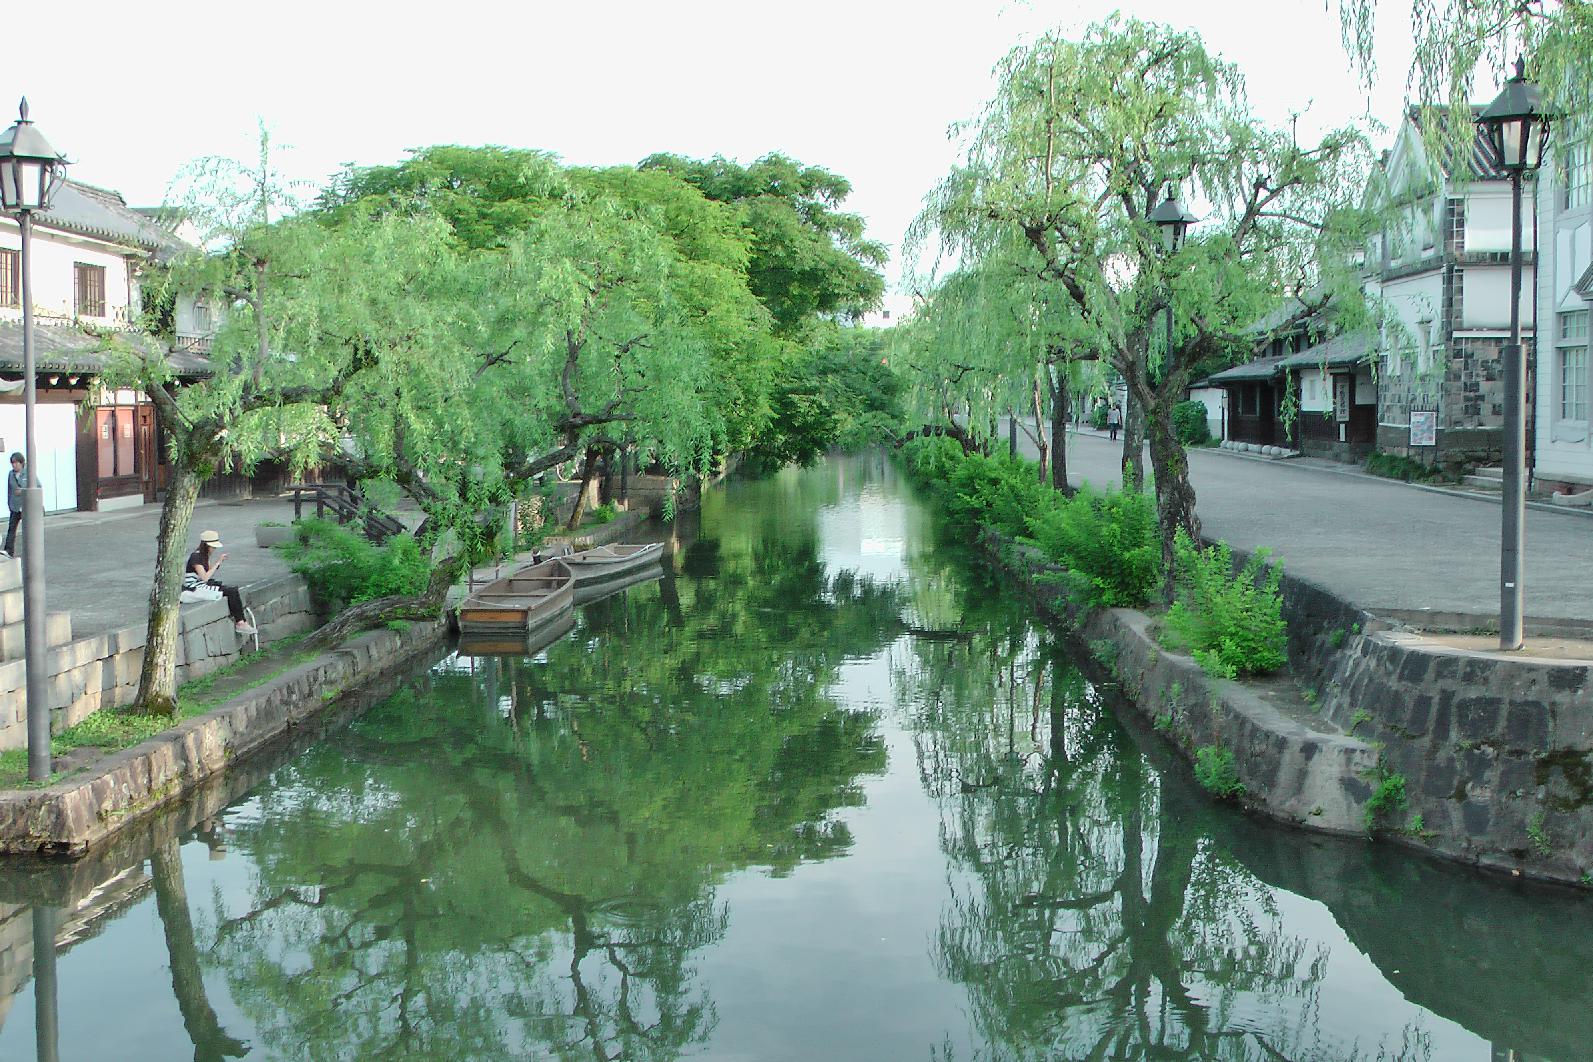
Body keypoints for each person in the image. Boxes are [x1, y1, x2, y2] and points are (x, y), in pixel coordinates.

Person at [185, 530, 255, 634]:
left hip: (202, 584)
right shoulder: (196, 557)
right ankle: (240, 622)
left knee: (230, 589)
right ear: (206, 545)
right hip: (195, 587)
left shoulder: (205, 556)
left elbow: (207, 574)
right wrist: (218, 562)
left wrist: (219, 561)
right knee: (231, 591)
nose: (214, 549)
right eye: (212, 547)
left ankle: (241, 620)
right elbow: (204, 577)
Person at [2, 453, 23, 558]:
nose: (14, 465)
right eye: (12, 463)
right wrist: (9, 503)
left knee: (29, 529)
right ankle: (9, 551)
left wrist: (22, 491)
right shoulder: (11, 474)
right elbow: (9, 490)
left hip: (26, 507)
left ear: (21, 463)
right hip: (15, 506)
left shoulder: (28, 473)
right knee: (11, 528)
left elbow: (37, 487)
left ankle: (31, 550)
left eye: (16, 463)